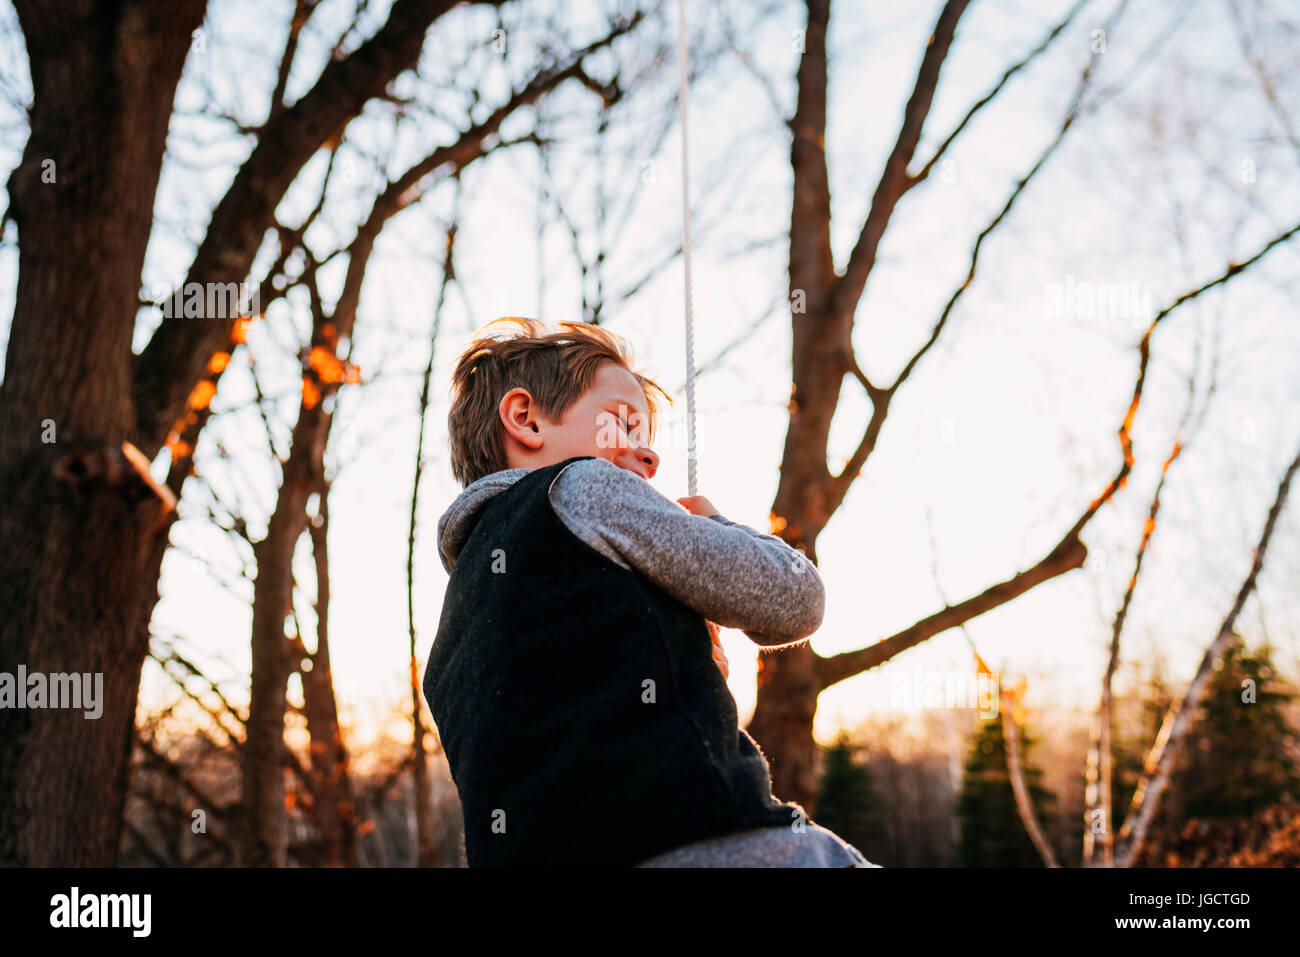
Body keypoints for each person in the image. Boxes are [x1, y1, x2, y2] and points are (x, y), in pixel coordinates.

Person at [423, 316, 878, 868]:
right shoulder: (582, 486)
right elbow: (795, 600)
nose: (649, 455)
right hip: (710, 845)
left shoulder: (454, 637)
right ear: (525, 419)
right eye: (624, 423)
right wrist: (717, 527)